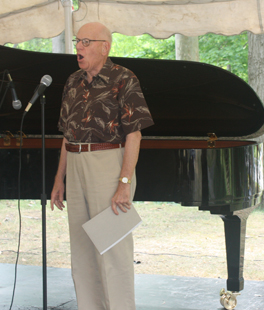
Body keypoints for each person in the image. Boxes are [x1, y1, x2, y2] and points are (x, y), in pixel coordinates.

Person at [50, 22, 154, 310]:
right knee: (82, 251)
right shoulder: (72, 81)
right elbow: (66, 134)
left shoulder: (124, 78)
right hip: (76, 162)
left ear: (105, 47)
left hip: (108, 165)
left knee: (113, 251)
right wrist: (60, 179)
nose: (78, 47)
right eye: (77, 42)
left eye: (85, 42)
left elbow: (135, 133)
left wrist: (123, 183)